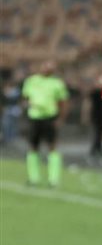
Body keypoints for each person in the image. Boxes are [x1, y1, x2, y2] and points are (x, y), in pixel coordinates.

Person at [21, 59, 70, 187]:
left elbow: (63, 102)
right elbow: (25, 98)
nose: (48, 68)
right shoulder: (31, 81)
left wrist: (60, 119)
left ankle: (53, 179)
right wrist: (27, 105)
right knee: (33, 147)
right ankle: (33, 178)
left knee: (52, 147)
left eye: (51, 67)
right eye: (46, 66)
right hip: (34, 117)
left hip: (50, 118)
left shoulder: (57, 83)